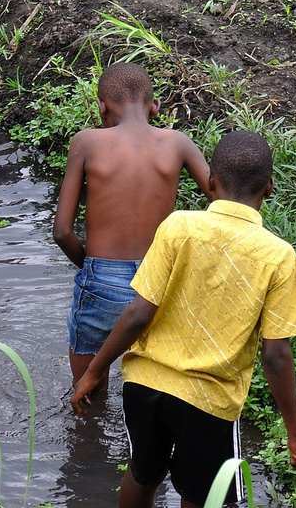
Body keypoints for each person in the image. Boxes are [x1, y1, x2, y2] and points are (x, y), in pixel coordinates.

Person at [70, 128, 296, 508]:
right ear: (270, 188)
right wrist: (295, 433)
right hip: (210, 399)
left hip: (145, 383)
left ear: (211, 182)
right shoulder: (278, 256)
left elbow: (138, 311)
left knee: (141, 473)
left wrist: (96, 369)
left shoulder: (179, 226)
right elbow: (276, 353)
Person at [53, 63, 210, 387]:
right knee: (154, 384)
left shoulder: (87, 142)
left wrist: (92, 268)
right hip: (159, 279)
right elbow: (224, 196)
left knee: (87, 390)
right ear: (155, 107)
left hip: (102, 277)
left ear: (102, 107)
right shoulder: (178, 143)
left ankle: (90, 434)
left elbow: (62, 231)